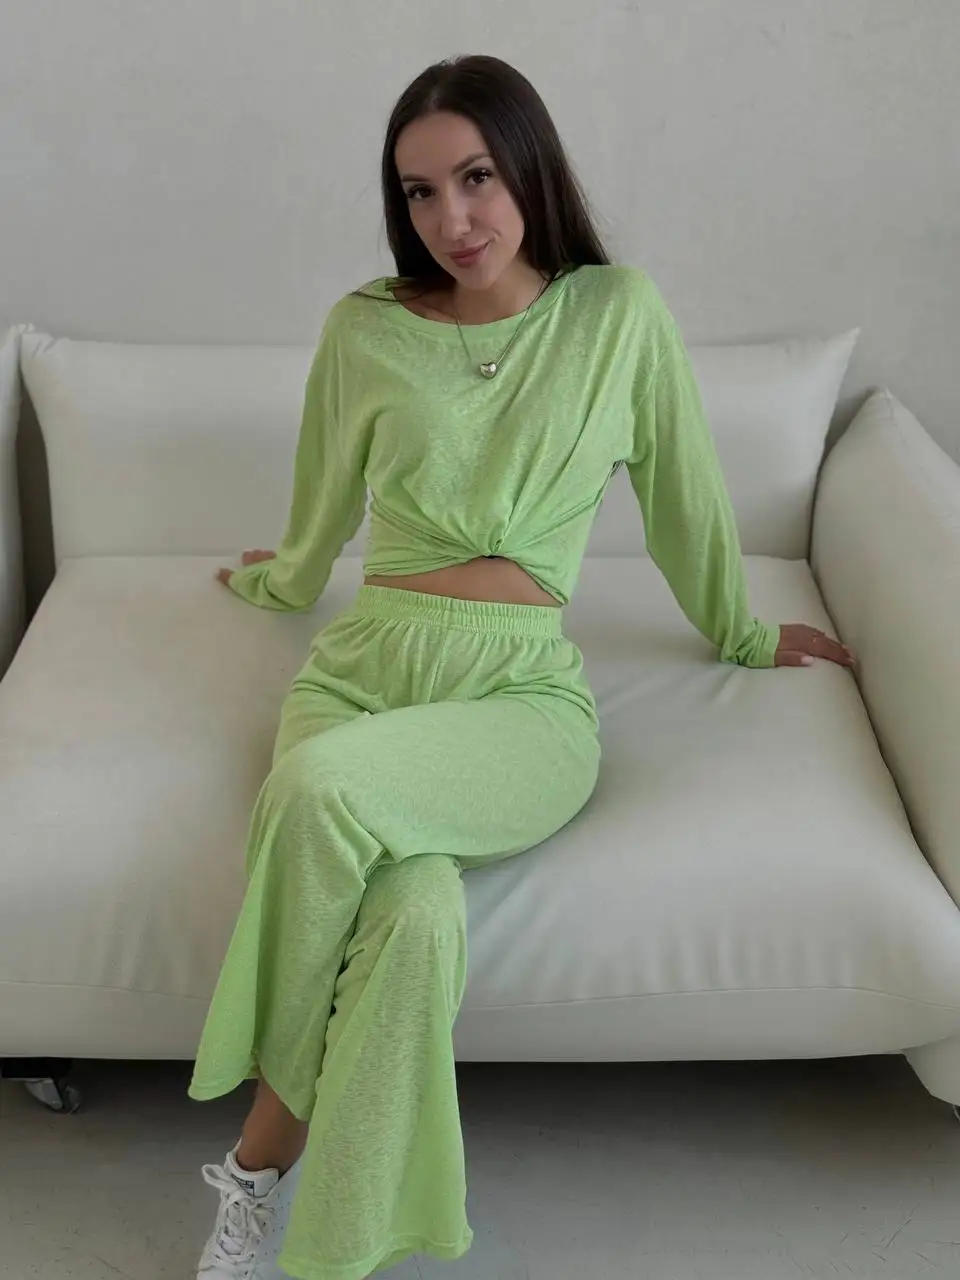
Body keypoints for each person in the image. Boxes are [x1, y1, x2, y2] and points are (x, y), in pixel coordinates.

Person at [189, 53, 855, 1280]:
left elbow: (685, 497)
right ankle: (324, 1243)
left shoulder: (616, 317)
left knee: (320, 790)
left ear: (528, 169)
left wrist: (746, 631)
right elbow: (321, 504)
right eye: (420, 192)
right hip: (365, 669)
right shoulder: (365, 328)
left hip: (516, 694)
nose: (452, 219)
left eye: (477, 177)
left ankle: (253, 1152)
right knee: (414, 919)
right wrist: (279, 579)